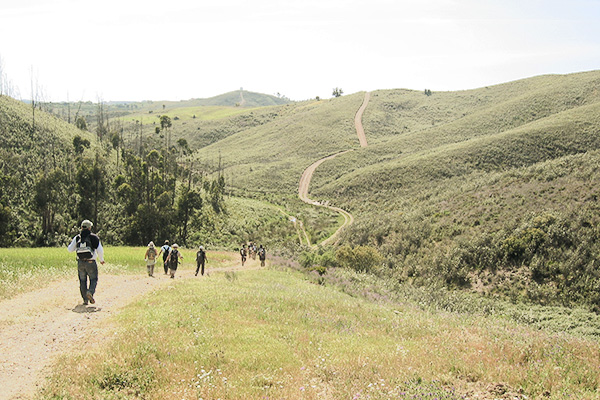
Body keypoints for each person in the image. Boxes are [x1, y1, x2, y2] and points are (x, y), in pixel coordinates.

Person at [67, 219, 105, 305]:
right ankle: (90, 292)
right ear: (89, 228)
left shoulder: (77, 237)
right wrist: (101, 259)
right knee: (93, 279)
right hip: (91, 261)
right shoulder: (94, 237)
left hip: (80, 262)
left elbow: (69, 249)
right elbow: (100, 250)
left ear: (81, 227)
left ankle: (85, 300)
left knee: (82, 280)